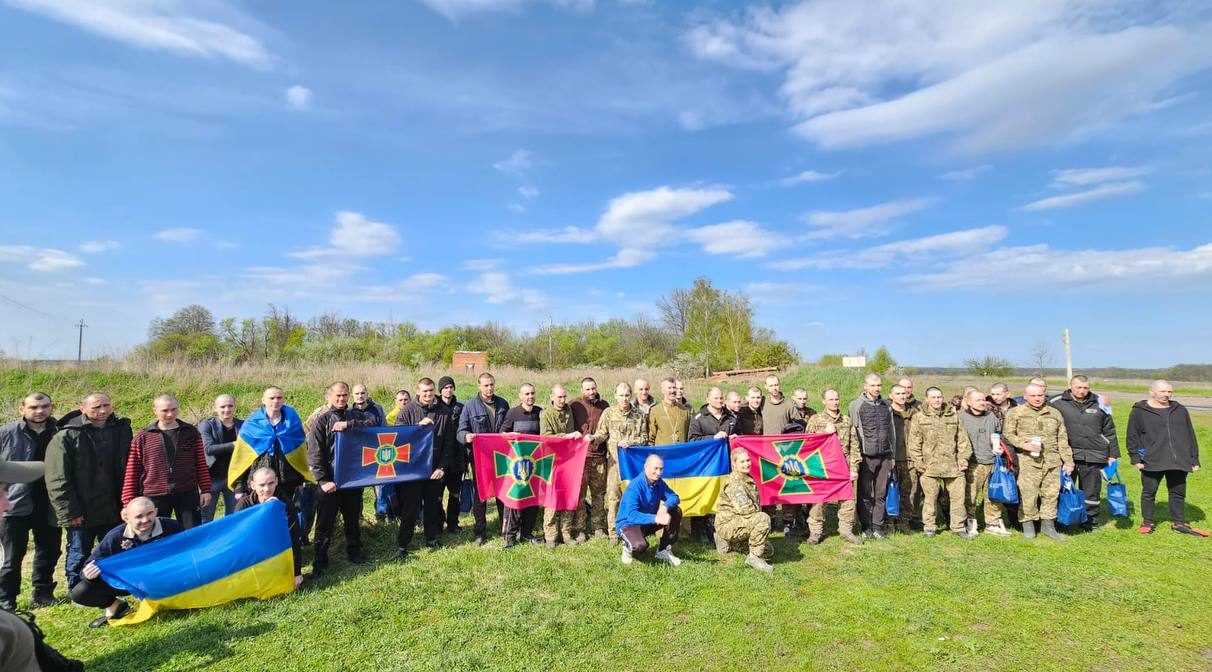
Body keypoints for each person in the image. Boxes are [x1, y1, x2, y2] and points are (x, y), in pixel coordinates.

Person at [45, 393, 132, 592]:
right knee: (79, 551)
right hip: (81, 509)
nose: (102, 411)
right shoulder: (67, 435)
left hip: (113, 505)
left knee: (115, 549)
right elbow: (57, 478)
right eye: (96, 407)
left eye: (106, 405)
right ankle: (77, 589)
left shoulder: (121, 429)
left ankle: (116, 587)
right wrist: (69, 512)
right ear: (82, 408)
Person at [69, 496, 183, 628]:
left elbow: (190, 551)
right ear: (127, 518)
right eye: (139, 516)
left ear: (156, 511)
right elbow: (92, 563)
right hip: (130, 583)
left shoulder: (171, 526)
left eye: (150, 513)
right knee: (80, 592)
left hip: (164, 578)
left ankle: (175, 599)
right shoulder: (115, 536)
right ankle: (116, 606)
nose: (145, 520)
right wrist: (88, 574)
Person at [0, 392, 61, 610]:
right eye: (34, 407)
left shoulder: (60, 432)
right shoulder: (6, 433)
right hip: (14, 504)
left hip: (50, 503)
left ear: (51, 407)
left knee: (50, 550)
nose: (39, 411)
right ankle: (6, 599)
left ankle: (42, 592)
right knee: (12, 556)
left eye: (44, 406)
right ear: (22, 409)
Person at [307, 382, 375, 573]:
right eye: (337, 396)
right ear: (329, 397)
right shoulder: (321, 421)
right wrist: (323, 480)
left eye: (344, 395)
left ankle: (354, 552)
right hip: (330, 482)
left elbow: (372, 425)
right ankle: (320, 561)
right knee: (324, 524)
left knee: (353, 519)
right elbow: (314, 454)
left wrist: (349, 424)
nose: (341, 399)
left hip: (352, 480)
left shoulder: (355, 415)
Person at [1128, 380, 1205, 536]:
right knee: (1149, 493)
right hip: (1152, 459)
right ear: (1152, 392)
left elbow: (1190, 435)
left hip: (1178, 459)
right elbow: (1132, 436)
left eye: (1169, 392)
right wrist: (1136, 458)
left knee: (1177, 493)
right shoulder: (1139, 411)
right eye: (1163, 391)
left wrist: (1194, 459)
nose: (1167, 395)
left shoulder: (1180, 410)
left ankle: (1178, 523)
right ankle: (1147, 522)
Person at [122, 394, 212, 529]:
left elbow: (200, 463)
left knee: (192, 531)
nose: (170, 414)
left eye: (174, 409)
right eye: (165, 410)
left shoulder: (191, 432)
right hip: (154, 495)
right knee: (156, 534)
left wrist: (205, 489)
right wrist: (127, 501)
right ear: (155, 410)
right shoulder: (142, 437)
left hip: (187, 492)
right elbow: (132, 470)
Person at [1003, 383, 1073, 541]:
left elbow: (1062, 439)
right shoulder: (1016, 412)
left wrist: (1068, 460)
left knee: (1051, 494)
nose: (1037, 398)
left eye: (1040, 395)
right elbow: (1008, 434)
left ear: (1045, 395)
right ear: (1025, 396)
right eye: (1033, 396)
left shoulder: (1054, 413)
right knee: (1029, 494)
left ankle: (1048, 526)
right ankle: (1028, 524)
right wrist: (1023, 444)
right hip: (1028, 461)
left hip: (1052, 461)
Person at [1050, 375, 1119, 531]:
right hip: (1067, 455)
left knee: (1091, 490)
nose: (1082, 391)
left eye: (1085, 388)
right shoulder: (1056, 402)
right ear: (1070, 386)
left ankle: (1090, 521)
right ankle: (1062, 520)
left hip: (1094, 454)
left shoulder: (1100, 402)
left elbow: (1110, 430)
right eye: (1078, 387)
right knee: (1064, 488)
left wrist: (1112, 454)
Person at [395, 378, 455, 555]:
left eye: (431, 390)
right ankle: (403, 544)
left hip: (434, 469)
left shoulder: (444, 412)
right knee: (410, 508)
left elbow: (449, 443)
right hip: (412, 470)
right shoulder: (407, 411)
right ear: (418, 391)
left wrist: (442, 468)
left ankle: (432, 538)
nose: (428, 394)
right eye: (424, 391)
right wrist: (417, 427)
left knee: (432, 507)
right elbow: (398, 437)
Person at [908, 388, 974, 539]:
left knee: (958, 498)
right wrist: (918, 462)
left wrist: (963, 459)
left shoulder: (954, 416)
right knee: (930, 499)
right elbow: (914, 442)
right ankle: (929, 527)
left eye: (939, 397)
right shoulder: (919, 417)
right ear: (927, 399)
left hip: (953, 466)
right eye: (933, 397)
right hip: (930, 466)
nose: (937, 400)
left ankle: (958, 527)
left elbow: (963, 441)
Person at [457, 372, 510, 546]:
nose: (489, 388)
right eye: (486, 385)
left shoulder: (503, 403)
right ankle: (480, 532)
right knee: (481, 496)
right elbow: (461, 431)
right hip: (480, 458)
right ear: (478, 386)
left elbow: (508, 426)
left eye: (491, 385)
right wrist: (466, 437)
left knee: (503, 493)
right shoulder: (470, 406)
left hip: (502, 457)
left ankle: (506, 529)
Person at [592, 382, 648, 545]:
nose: (624, 399)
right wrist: (593, 439)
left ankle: (632, 531)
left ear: (631, 395)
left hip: (633, 465)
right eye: (621, 395)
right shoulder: (608, 413)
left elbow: (644, 438)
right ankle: (613, 533)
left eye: (627, 395)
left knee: (633, 498)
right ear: (615, 396)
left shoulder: (639, 414)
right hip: (614, 464)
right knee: (614, 498)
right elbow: (602, 433)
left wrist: (631, 442)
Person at [805, 389, 861, 545]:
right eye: (831, 399)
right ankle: (816, 532)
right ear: (823, 401)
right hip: (822, 467)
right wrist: (824, 432)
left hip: (844, 467)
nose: (835, 402)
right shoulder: (816, 420)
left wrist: (854, 468)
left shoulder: (846, 420)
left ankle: (846, 531)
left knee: (847, 500)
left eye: (837, 399)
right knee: (819, 501)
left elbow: (854, 445)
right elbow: (807, 443)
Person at [234, 467, 303, 588]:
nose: (267, 489)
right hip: (252, 552)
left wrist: (296, 573)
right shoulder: (243, 505)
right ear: (253, 485)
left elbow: (293, 537)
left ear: (276, 481)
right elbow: (236, 537)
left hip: (276, 551)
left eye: (271, 483)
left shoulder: (285, 503)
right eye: (262, 485)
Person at [848, 374, 895, 539]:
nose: (877, 388)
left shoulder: (887, 405)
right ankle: (866, 526)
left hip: (885, 457)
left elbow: (892, 432)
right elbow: (852, 433)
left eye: (879, 385)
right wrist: (855, 458)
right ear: (865, 386)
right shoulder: (856, 405)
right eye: (873, 385)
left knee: (881, 493)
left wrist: (892, 455)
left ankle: (878, 527)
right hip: (866, 457)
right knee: (865, 494)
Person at [616, 454, 682, 566]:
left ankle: (663, 550)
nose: (659, 472)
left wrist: (665, 506)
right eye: (655, 468)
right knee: (640, 547)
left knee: (675, 511)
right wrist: (656, 518)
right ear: (646, 467)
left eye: (661, 469)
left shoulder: (658, 482)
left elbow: (674, 497)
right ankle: (628, 548)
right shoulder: (635, 486)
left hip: (647, 521)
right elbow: (632, 516)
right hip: (628, 524)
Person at [714, 448, 773, 572]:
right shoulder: (734, 483)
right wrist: (761, 523)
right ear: (734, 464)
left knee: (768, 550)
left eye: (748, 460)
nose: (747, 464)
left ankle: (727, 543)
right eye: (742, 462)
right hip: (728, 524)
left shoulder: (746, 477)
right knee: (763, 519)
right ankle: (754, 558)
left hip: (739, 521)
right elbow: (746, 510)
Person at [960, 390, 1010, 536]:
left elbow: (998, 434)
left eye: (983, 400)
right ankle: (969, 522)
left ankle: (992, 523)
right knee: (970, 496)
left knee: (993, 495)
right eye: (978, 400)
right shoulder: (961, 418)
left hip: (992, 462)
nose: (982, 403)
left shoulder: (991, 416)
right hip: (973, 463)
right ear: (968, 402)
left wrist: (1000, 447)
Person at [499, 383, 543, 547]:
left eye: (532, 393)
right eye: (526, 394)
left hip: (536, 465)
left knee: (532, 500)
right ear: (520, 396)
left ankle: (526, 533)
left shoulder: (540, 412)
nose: (530, 396)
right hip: (517, 466)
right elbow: (502, 435)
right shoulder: (513, 413)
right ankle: (510, 537)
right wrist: (511, 435)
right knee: (515, 501)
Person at [539, 385, 582, 548]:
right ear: (552, 397)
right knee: (551, 498)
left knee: (567, 496)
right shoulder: (546, 414)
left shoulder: (568, 410)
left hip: (568, 460)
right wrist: (567, 436)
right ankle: (550, 535)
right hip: (551, 460)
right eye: (559, 397)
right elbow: (546, 437)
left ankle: (566, 532)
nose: (562, 400)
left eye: (564, 397)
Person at [572, 377, 611, 542]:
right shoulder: (574, 405)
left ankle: (598, 527)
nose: (591, 392)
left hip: (599, 457)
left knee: (598, 495)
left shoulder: (605, 406)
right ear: (582, 390)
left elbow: (608, 430)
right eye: (587, 389)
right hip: (580, 458)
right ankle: (580, 529)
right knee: (579, 496)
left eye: (593, 388)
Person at [199, 394, 242, 522]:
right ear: (215, 408)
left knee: (233, 516)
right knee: (206, 517)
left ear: (234, 407)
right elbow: (209, 449)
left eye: (230, 406)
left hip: (234, 477)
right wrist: (235, 444)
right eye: (222, 406)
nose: (227, 409)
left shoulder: (243, 425)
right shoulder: (207, 425)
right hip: (211, 478)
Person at [888, 384, 919, 533]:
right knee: (890, 492)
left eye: (904, 393)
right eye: (898, 393)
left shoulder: (915, 414)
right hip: (892, 459)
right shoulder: (886, 413)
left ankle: (904, 523)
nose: (902, 396)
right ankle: (889, 523)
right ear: (891, 395)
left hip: (910, 460)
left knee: (909, 493)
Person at [437, 377, 465, 533]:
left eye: (451, 387)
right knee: (438, 495)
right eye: (445, 387)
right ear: (440, 390)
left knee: (455, 494)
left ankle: (453, 523)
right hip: (440, 459)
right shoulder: (435, 407)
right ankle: (438, 522)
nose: (448, 390)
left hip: (457, 457)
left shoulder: (461, 408)